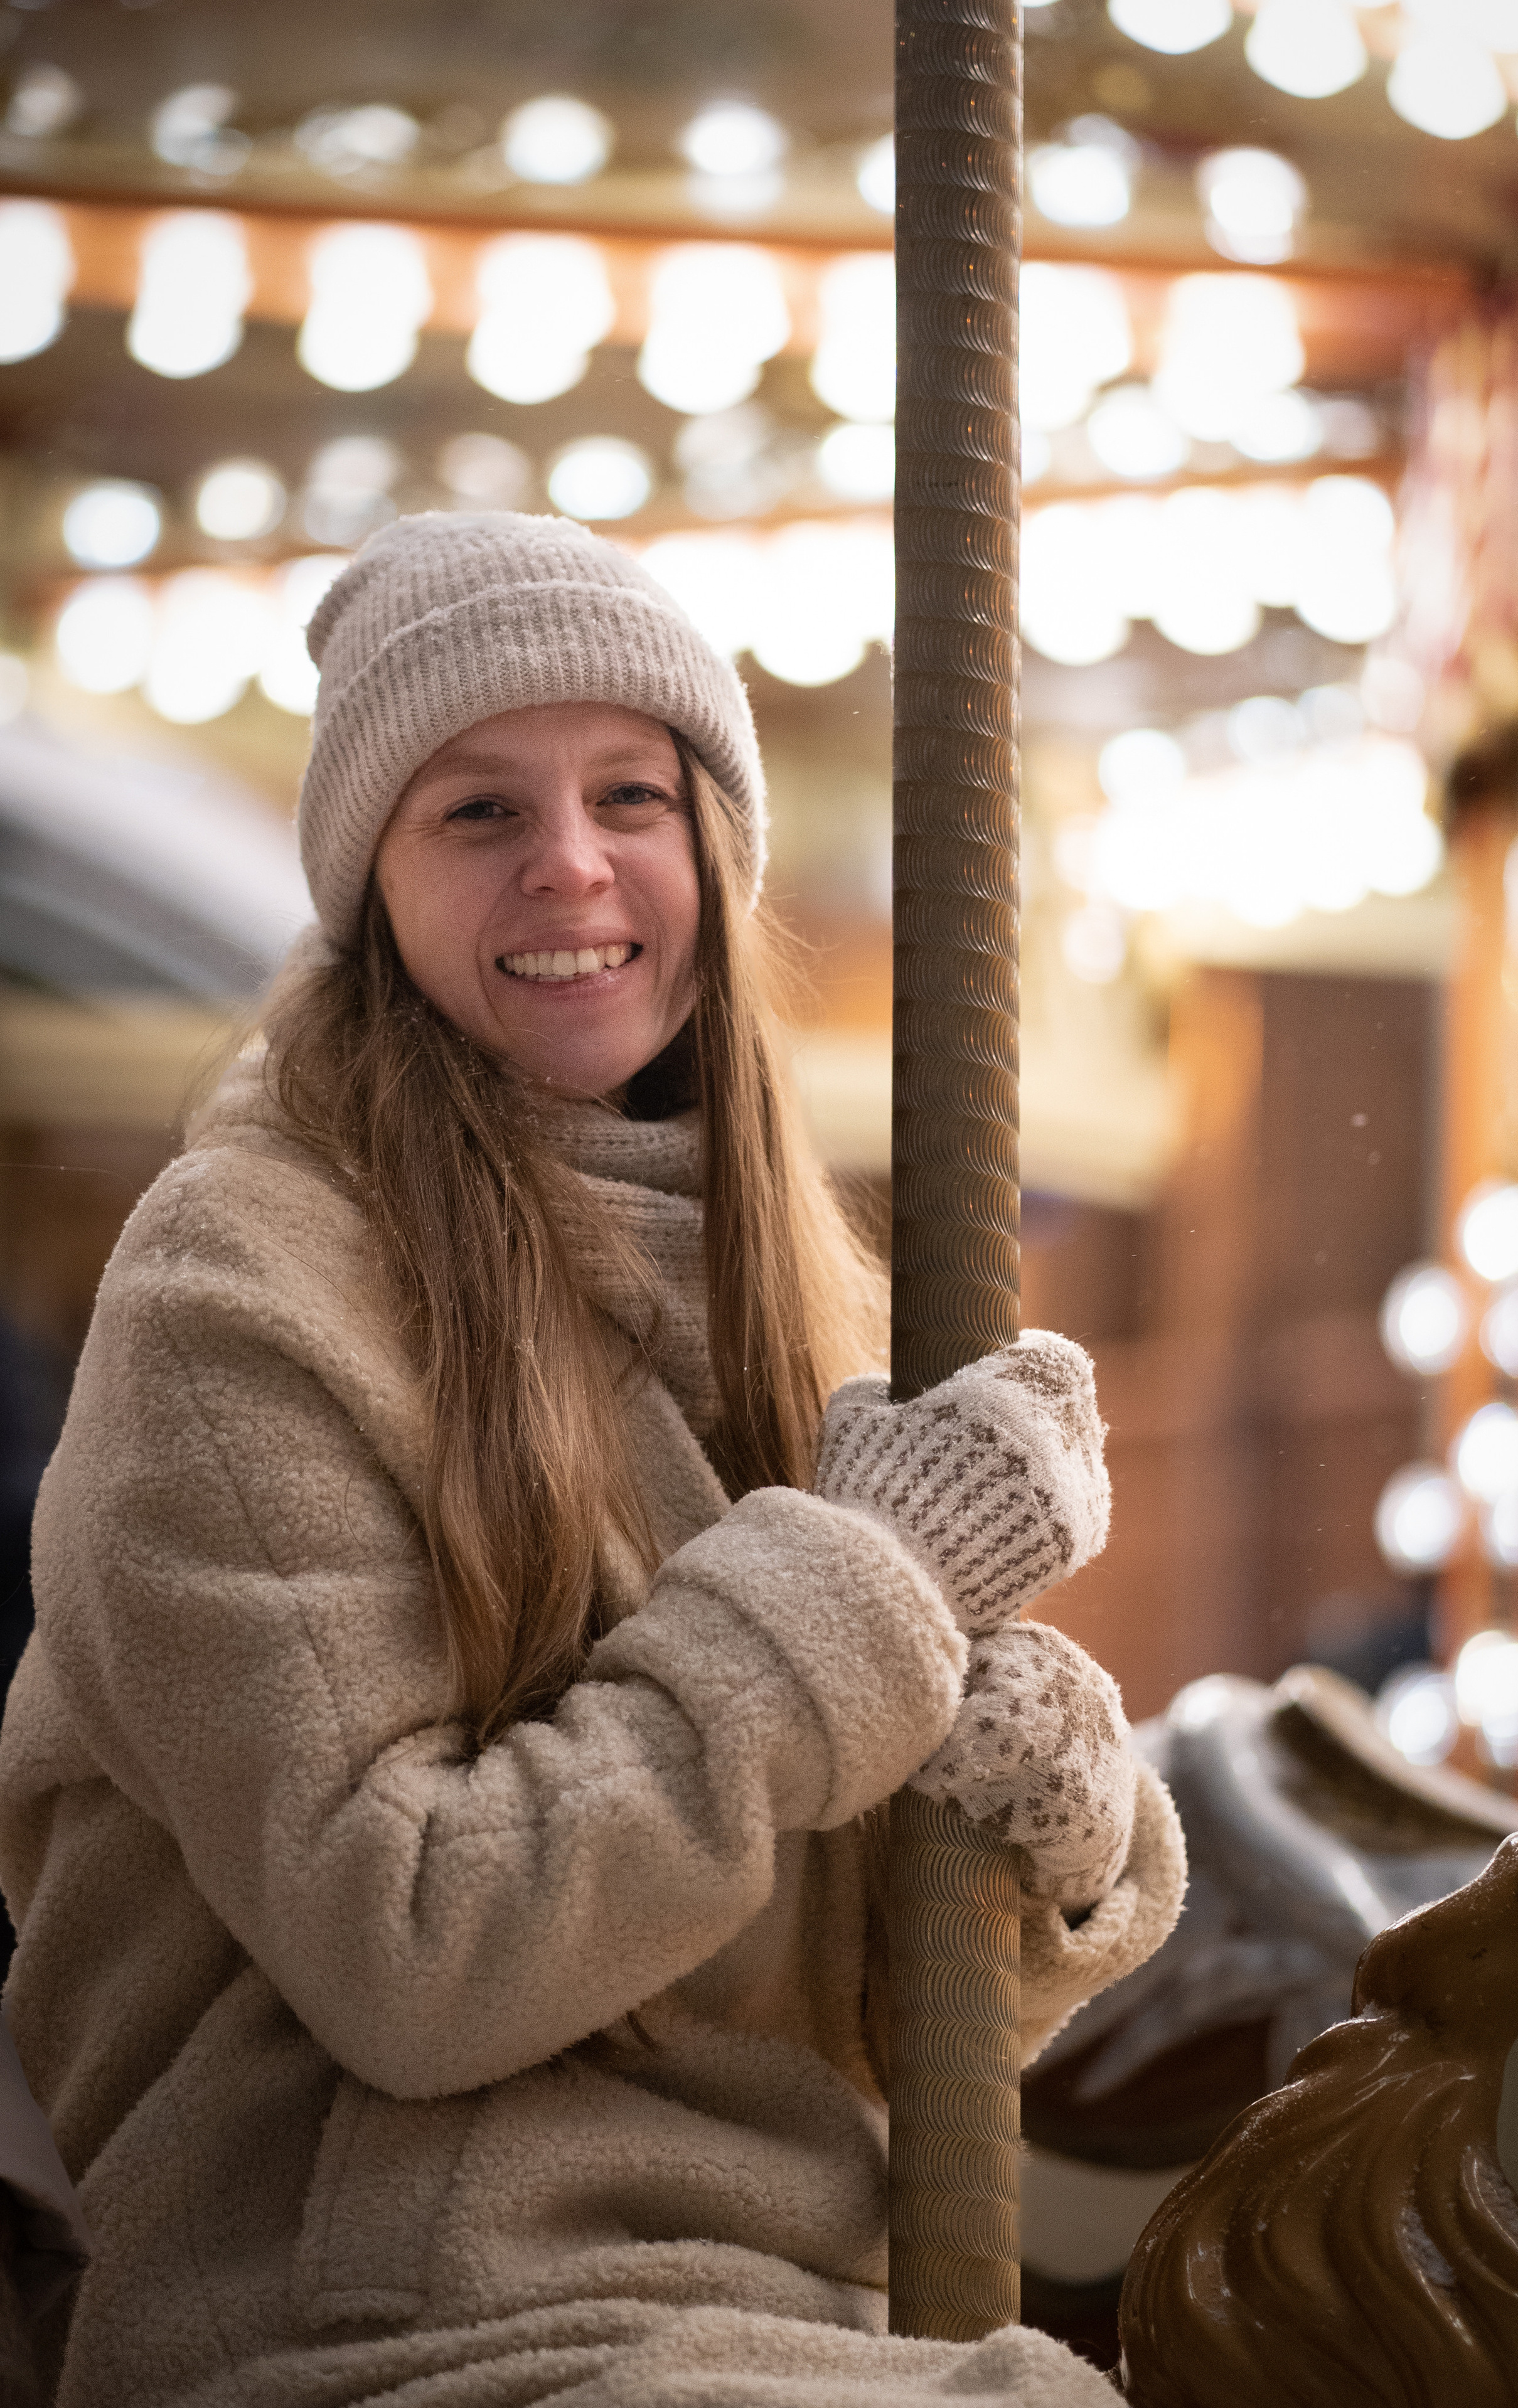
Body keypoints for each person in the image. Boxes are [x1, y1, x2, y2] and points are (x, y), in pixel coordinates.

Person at [0, 514, 1185, 2408]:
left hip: (774, 2300)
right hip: (385, 2327)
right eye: (477, 811)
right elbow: (415, 1948)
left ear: (708, 844)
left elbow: (848, 2024)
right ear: (371, 884)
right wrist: (867, 1595)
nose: (572, 864)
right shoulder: (245, 1291)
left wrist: (1042, 1819)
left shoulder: (793, 1298)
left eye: (630, 792)